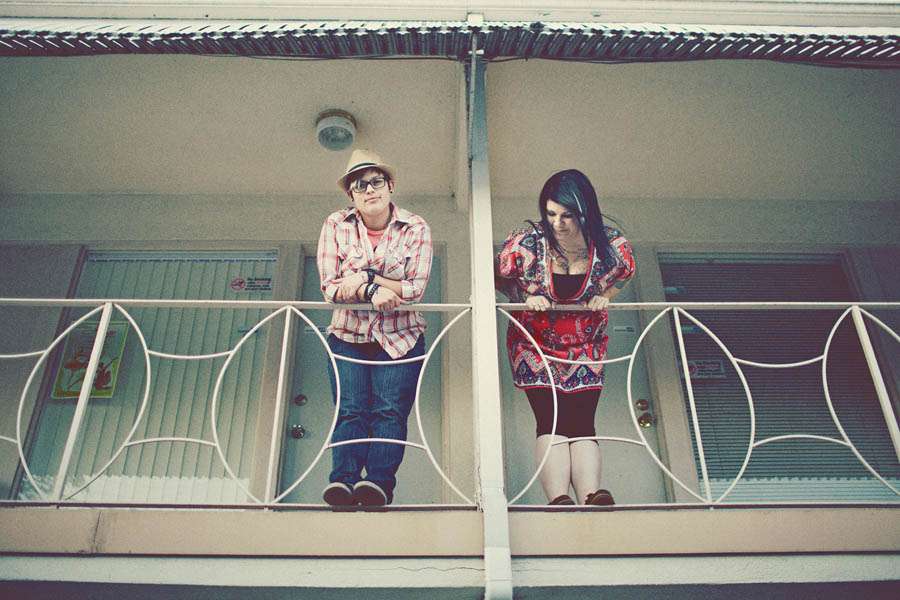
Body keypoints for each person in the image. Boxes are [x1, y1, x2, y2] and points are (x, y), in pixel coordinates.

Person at [495, 169, 635, 506]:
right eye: (551, 213)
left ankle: (590, 495)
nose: (557, 223)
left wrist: (606, 296)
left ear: (586, 211)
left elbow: (626, 273)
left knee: (583, 421)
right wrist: (525, 297)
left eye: (567, 215)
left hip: (586, 343)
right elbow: (497, 275)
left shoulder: (610, 245)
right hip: (534, 344)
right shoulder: (528, 242)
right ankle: (558, 498)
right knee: (551, 420)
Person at [317, 149, 433, 506]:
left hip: (401, 337)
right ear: (350, 195)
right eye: (360, 185)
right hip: (348, 335)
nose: (370, 190)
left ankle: (378, 485)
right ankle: (344, 482)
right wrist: (372, 291)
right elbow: (330, 287)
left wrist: (366, 277)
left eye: (376, 182)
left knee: (389, 410)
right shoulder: (336, 224)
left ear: (390, 185)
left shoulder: (415, 227)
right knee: (350, 409)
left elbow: (415, 288)